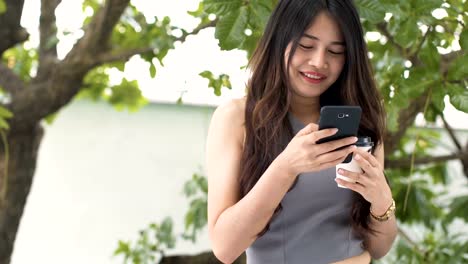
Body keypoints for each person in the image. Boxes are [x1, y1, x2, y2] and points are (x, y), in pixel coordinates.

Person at [206, 0, 398, 263]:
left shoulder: (361, 123)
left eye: (336, 51)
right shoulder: (237, 118)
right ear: (278, 41)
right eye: (306, 46)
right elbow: (225, 248)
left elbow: (378, 248)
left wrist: (381, 201)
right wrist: (285, 167)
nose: (319, 62)